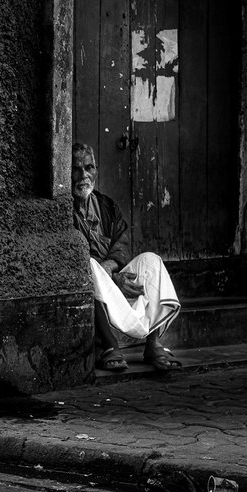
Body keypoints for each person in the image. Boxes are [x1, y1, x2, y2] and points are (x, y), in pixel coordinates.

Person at [72, 142, 181, 372]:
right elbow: (75, 255)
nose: (84, 175)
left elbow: (122, 243)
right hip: (93, 280)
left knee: (151, 261)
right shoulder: (64, 209)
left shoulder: (106, 205)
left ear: (96, 170)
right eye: (77, 169)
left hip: (112, 275)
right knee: (90, 266)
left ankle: (153, 343)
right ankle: (109, 346)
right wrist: (106, 275)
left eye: (89, 167)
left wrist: (111, 272)